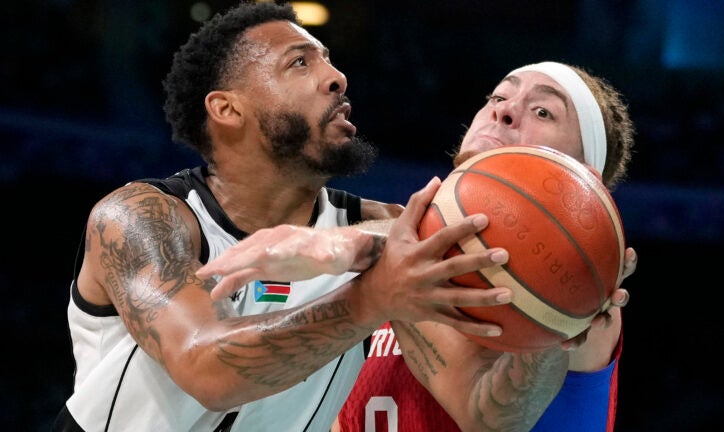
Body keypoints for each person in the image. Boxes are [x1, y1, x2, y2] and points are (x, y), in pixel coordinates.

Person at [52, 3, 520, 431]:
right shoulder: (142, 216)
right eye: (300, 62)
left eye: (329, 60)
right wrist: (370, 299)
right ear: (228, 108)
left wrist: (561, 329)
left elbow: (486, 411)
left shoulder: (383, 229)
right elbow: (205, 368)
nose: (337, 77)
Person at [198, 62, 637, 431]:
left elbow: (494, 417)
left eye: (543, 111)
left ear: (584, 177)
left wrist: (342, 245)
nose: (503, 112)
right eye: (497, 97)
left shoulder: (586, 288)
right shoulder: (402, 273)